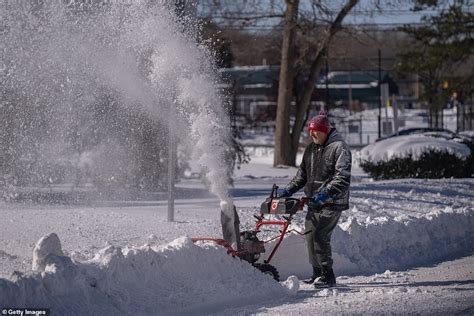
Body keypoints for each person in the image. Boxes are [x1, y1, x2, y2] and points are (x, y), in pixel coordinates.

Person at [278, 112, 351, 287]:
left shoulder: (339, 148)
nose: (311, 135)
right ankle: (317, 273)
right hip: (314, 202)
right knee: (310, 236)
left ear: (325, 130)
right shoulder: (311, 148)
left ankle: (328, 275)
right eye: (310, 131)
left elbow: (342, 178)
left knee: (320, 236)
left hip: (332, 202)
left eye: (315, 131)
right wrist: (287, 190)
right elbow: (302, 176)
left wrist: (325, 194)